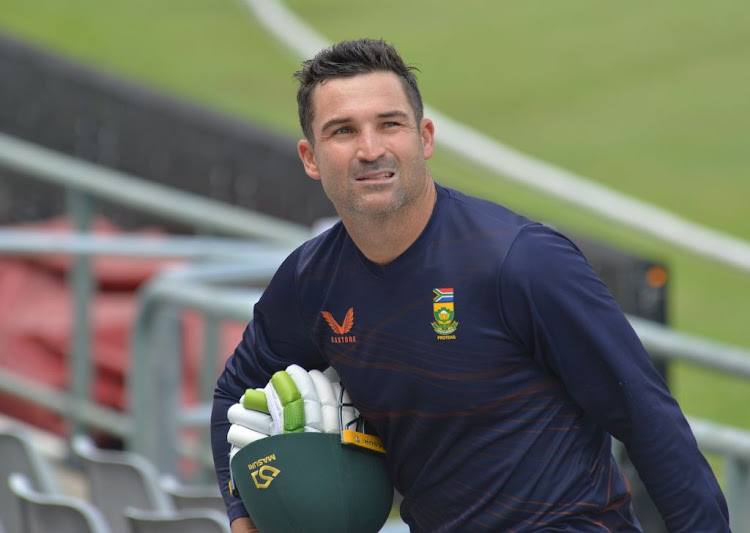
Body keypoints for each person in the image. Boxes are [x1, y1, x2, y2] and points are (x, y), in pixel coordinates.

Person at [211, 38, 730, 532]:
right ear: (309, 157)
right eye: (343, 131)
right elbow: (234, 391)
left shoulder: (521, 260)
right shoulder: (311, 282)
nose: (370, 149)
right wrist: (244, 513)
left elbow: (648, 418)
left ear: (425, 137)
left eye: (389, 124)